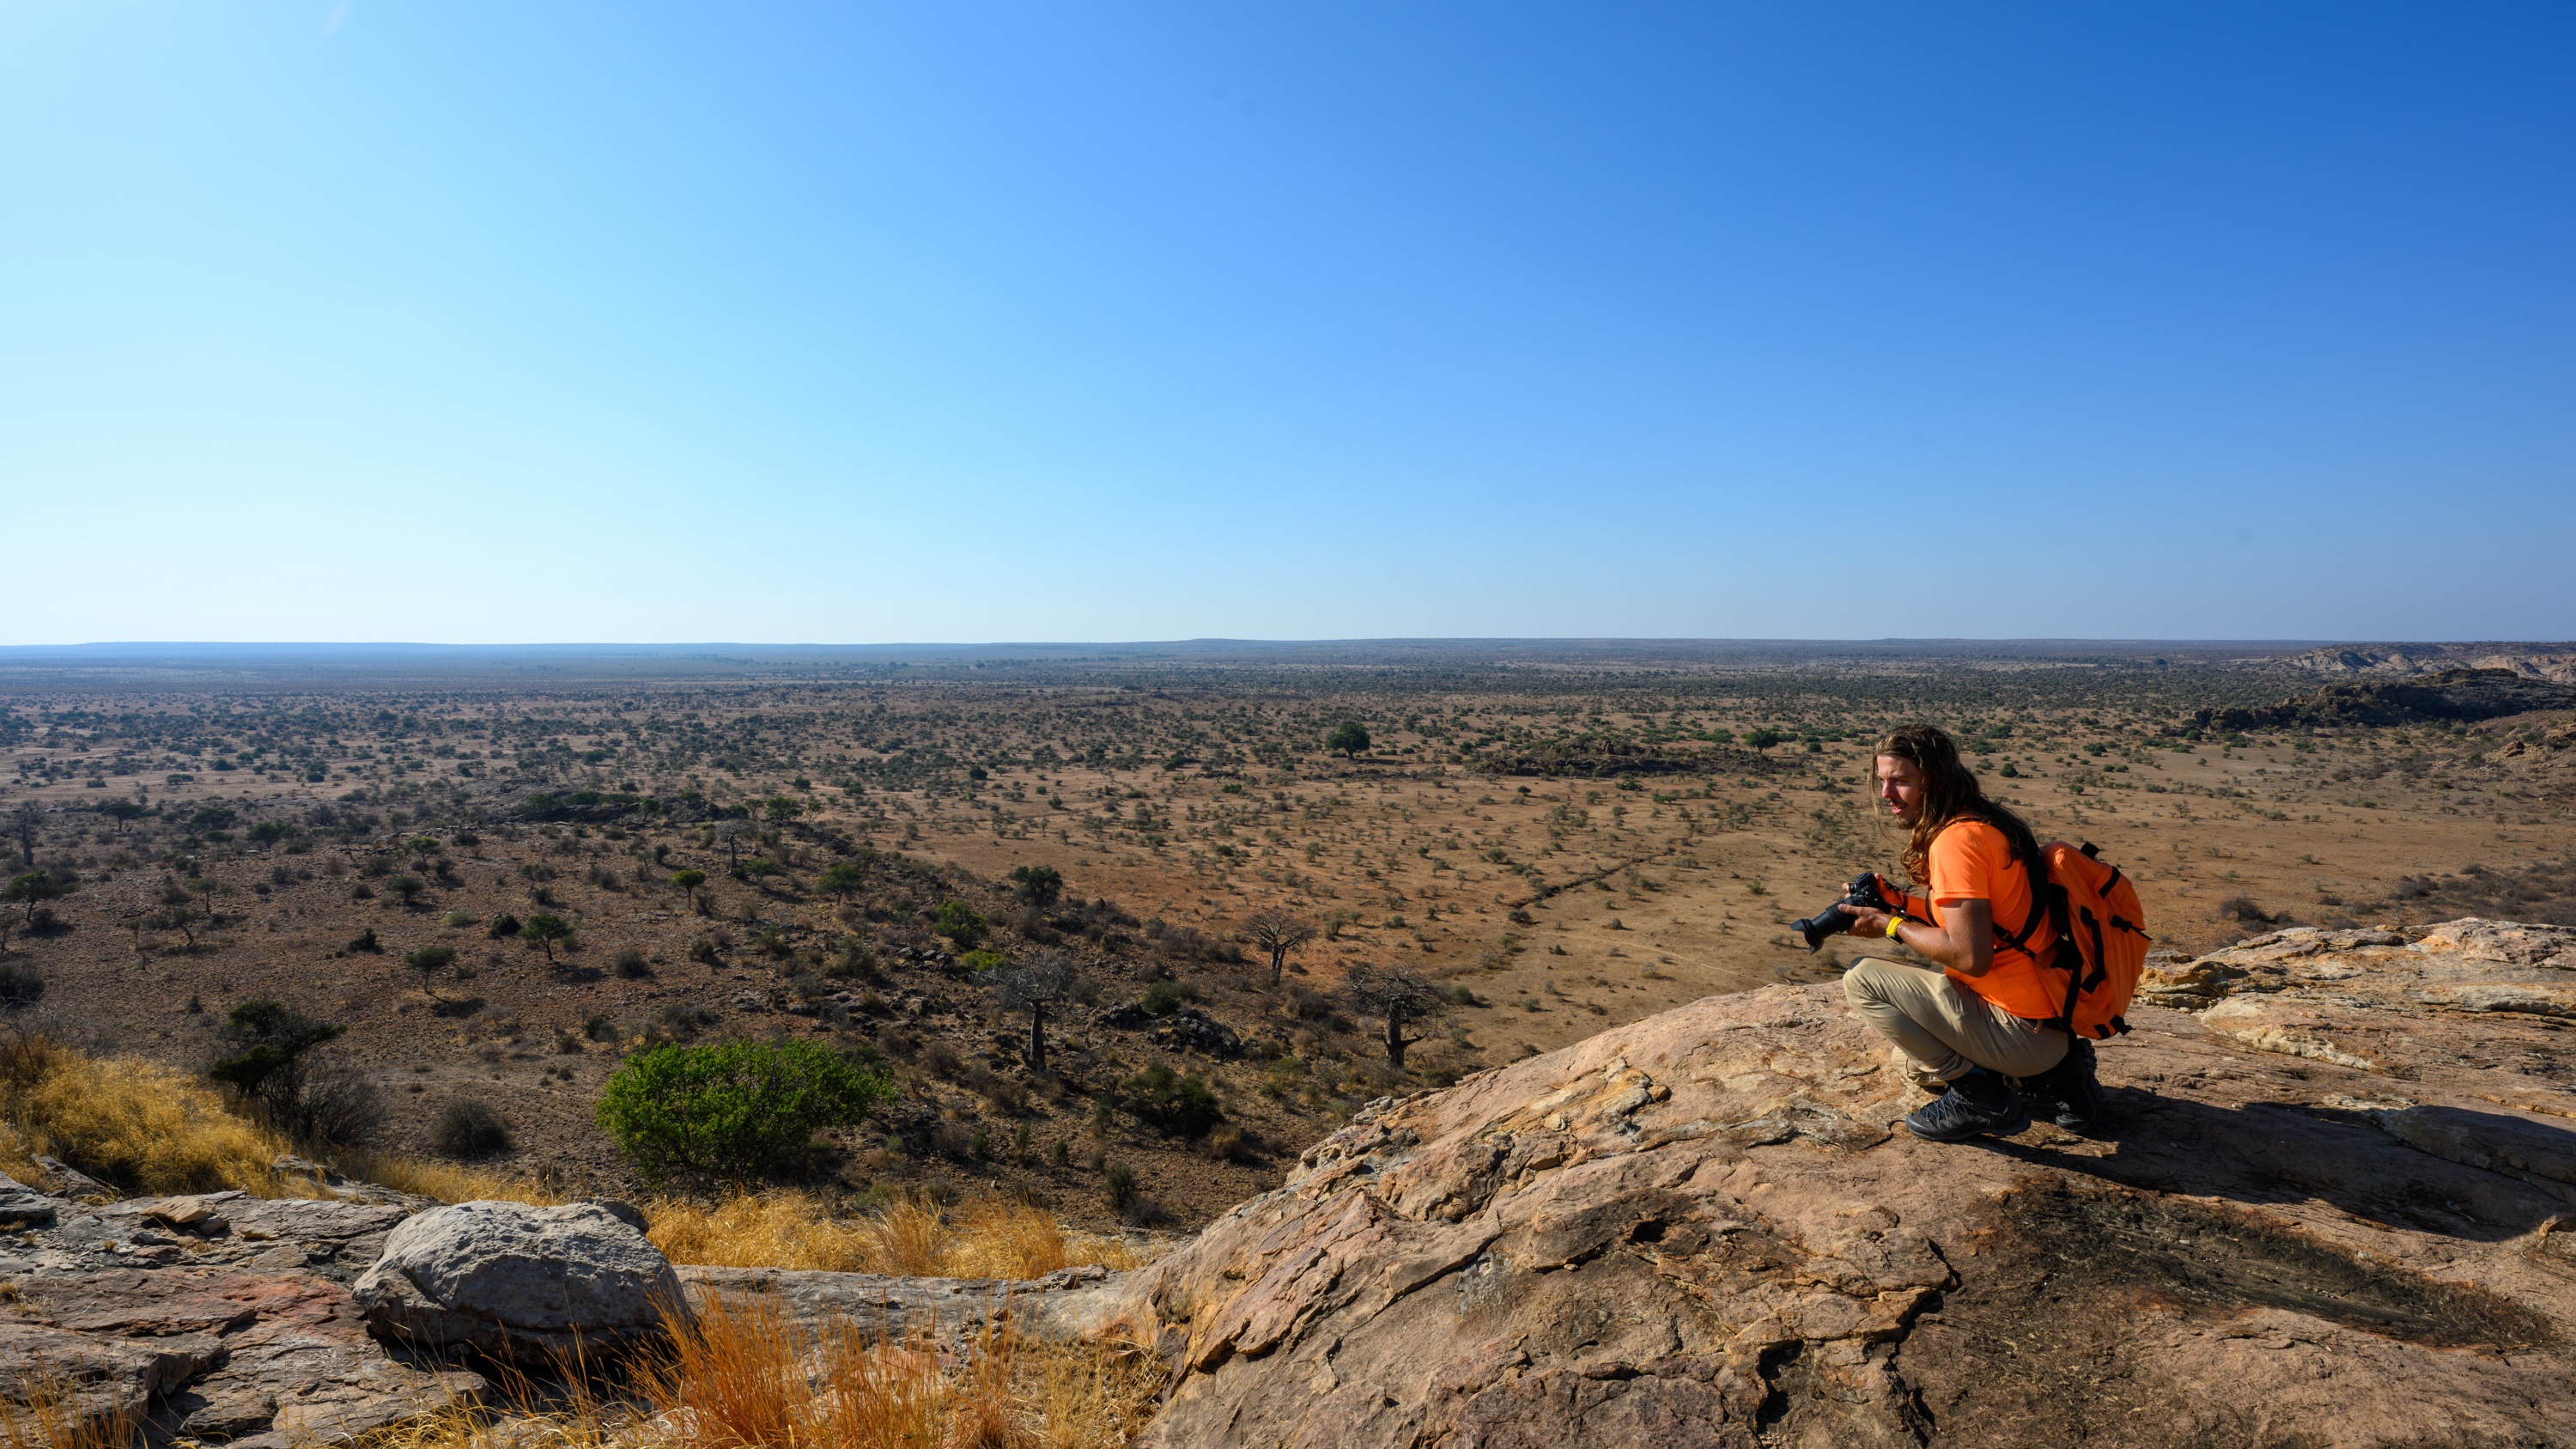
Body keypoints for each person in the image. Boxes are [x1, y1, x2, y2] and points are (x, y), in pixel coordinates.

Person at [1838, 723, 2101, 1142]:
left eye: (1901, 781)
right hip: (2048, 1019)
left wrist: (1888, 924)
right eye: (1882, 780)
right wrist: (1900, 901)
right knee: (1906, 1062)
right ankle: (2058, 1079)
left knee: (1862, 979)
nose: (1887, 794)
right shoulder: (1984, 823)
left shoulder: (1955, 842)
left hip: (2019, 1030)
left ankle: (1982, 1101)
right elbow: (1987, 921)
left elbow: (1969, 955)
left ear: (1935, 781)